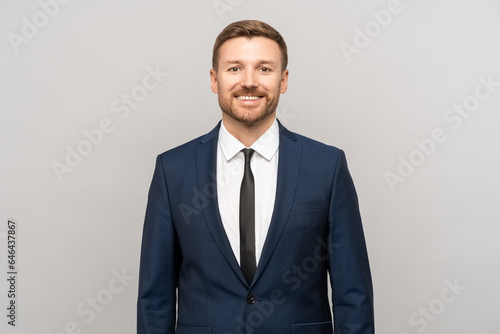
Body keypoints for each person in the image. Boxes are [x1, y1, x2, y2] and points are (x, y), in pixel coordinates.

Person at [137, 20, 374, 334]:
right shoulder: (173, 170)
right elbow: (155, 298)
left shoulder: (327, 166)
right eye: (234, 69)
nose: (249, 82)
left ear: (283, 79)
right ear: (214, 79)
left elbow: (352, 294)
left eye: (264, 69)